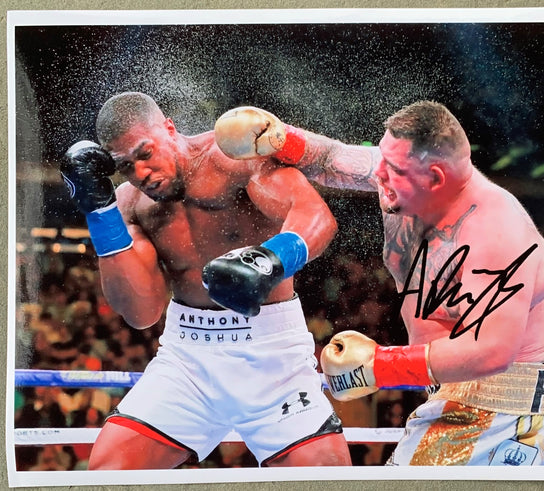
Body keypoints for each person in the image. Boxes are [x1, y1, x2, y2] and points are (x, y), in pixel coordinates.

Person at [214, 101, 544, 466]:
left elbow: (492, 351)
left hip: (500, 412)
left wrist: (379, 366)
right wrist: (279, 138)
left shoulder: (497, 230)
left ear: (435, 177)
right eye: (383, 158)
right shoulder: (403, 180)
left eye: (393, 168)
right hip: (460, 399)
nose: (378, 173)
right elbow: (331, 158)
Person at [60, 92, 352, 469]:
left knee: (326, 477)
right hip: (187, 360)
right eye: (125, 166)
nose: (140, 173)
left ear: (169, 128)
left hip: (272, 356)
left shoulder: (233, 157)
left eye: (145, 154)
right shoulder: (130, 203)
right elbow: (142, 313)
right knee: (106, 473)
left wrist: (270, 259)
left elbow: (315, 215)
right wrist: (100, 214)